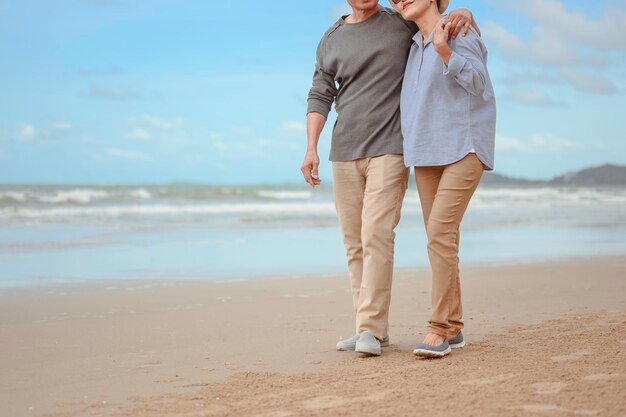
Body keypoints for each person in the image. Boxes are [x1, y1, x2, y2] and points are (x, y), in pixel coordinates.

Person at [300, 0, 478, 356]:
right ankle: (372, 330)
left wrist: (467, 13)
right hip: (344, 150)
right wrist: (310, 148)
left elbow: (438, 21)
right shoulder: (331, 38)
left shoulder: (400, 23)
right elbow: (321, 93)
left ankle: (368, 327)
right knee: (354, 243)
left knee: (377, 234)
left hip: (391, 147)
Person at [390, 0, 496, 358]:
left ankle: (437, 329)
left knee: (438, 235)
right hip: (425, 153)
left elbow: (480, 84)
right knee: (443, 239)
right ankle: (454, 327)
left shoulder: (457, 31)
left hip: (464, 147)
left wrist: (444, 49)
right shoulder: (411, 46)